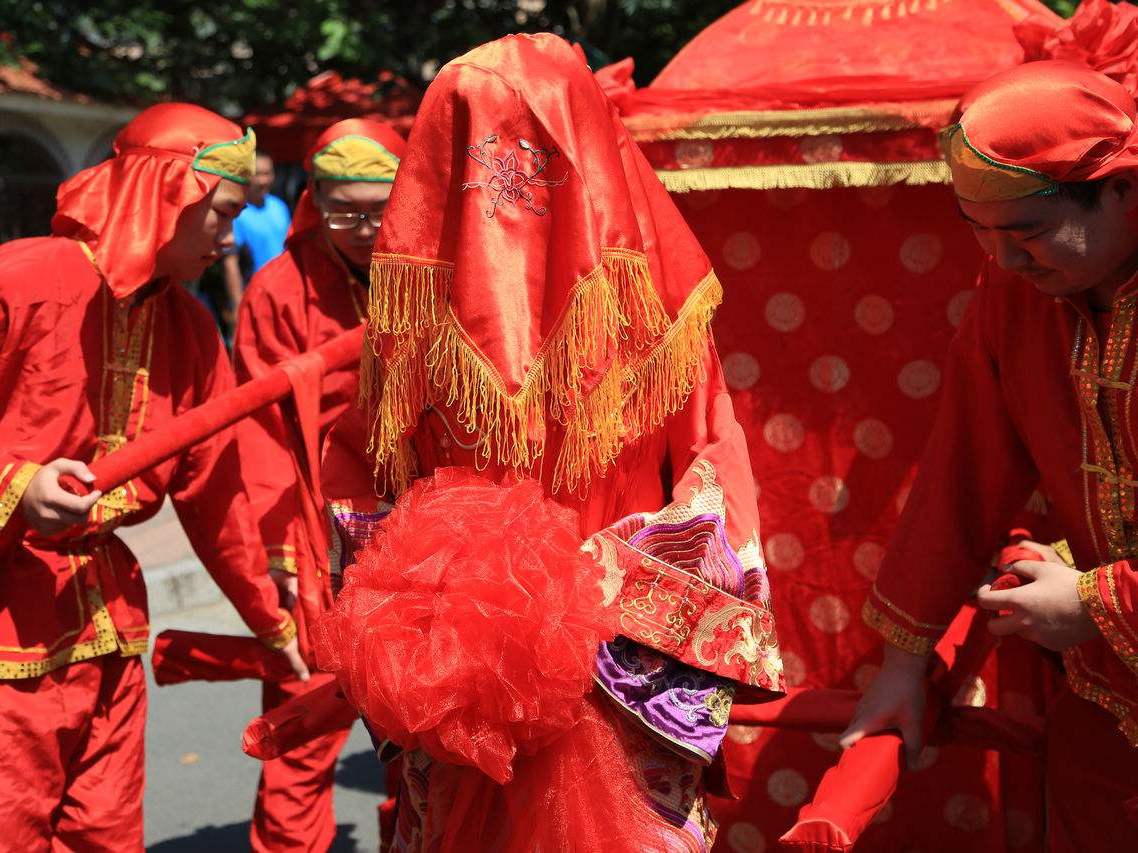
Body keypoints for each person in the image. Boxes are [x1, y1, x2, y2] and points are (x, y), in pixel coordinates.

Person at [313, 34, 785, 851]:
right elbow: (717, 481)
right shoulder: (666, 310)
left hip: (575, 669)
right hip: (493, 671)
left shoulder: (404, 325)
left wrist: (546, 602)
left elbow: (364, 491)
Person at [841, 13, 1138, 849]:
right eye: (981, 234)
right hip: (1105, 719)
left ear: (1121, 189)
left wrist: (1094, 599)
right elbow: (964, 472)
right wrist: (904, 663)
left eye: (1027, 232)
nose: (1004, 262)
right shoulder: (1019, 295)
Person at [0, 102, 308, 850]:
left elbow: (217, 498)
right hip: (8, 622)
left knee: (106, 834)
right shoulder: (24, 279)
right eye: (222, 212)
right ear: (166, 192)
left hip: (110, 634)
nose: (230, 237)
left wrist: (274, 622)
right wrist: (13, 483)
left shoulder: (192, 329)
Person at [233, 117, 406, 853]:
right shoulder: (279, 289)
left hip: (427, 528)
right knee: (304, 725)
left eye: (379, 208)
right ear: (315, 201)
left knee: (428, 729)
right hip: (317, 527)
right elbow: (256, 436)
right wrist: (276, 555)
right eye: (344, 209)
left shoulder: (435, 271)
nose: (363, 227)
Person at [223, 152, 291, 320]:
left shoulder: (279, 206)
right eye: (257, 174)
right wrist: (238, 306)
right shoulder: (238, 212)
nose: (263, 180)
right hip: (256, 298)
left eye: (267, 173)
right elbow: (231, 264)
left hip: (286, 295)